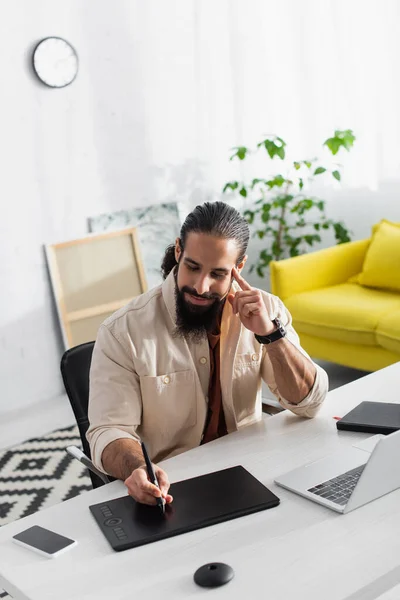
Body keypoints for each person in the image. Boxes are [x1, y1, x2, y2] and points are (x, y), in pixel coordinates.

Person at [87, 201, 328, 507]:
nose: (201, 286)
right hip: (174, 491)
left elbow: (310, 403)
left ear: (238, 269)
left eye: (217, 273)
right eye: (192, 267)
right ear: (178, 251)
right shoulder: (122, 332)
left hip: (255, 474)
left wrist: (271, 335)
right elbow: (109, 430)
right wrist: (137, 468)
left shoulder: (266, 311)